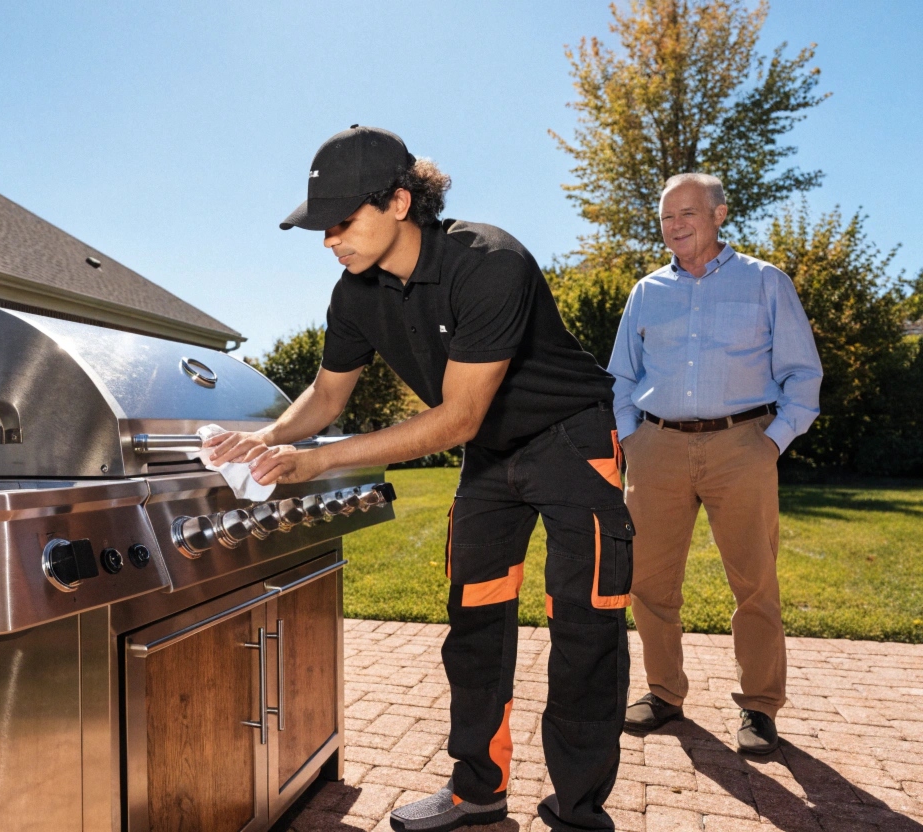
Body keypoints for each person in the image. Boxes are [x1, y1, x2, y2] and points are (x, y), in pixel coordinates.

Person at [207, 125, 632, 832]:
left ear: (400, 201)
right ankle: (477, 793)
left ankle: (579, 813)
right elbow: (326, 395)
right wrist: (268, 437)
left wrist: (321, 459)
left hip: (572, 442)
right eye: (321, 226)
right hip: (492, 460)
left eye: (341, 222)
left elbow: (458, 417)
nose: (328, 240)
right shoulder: (355, 295)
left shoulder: (489, 262)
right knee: (474, 624)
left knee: (584, 627)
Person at [608, 173, 822, 754]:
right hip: (657, 448)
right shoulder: (646, 292)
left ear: (719, 214)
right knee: (649, 582)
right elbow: (622, 376)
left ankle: (759, 706)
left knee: (754, 581)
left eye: (688, 215)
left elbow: (804, 375)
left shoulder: (764, 282)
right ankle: (664, 692)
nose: (675, 227)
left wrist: (771, 442)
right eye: (666, 218)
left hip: (742, 445)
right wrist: (634, 440)